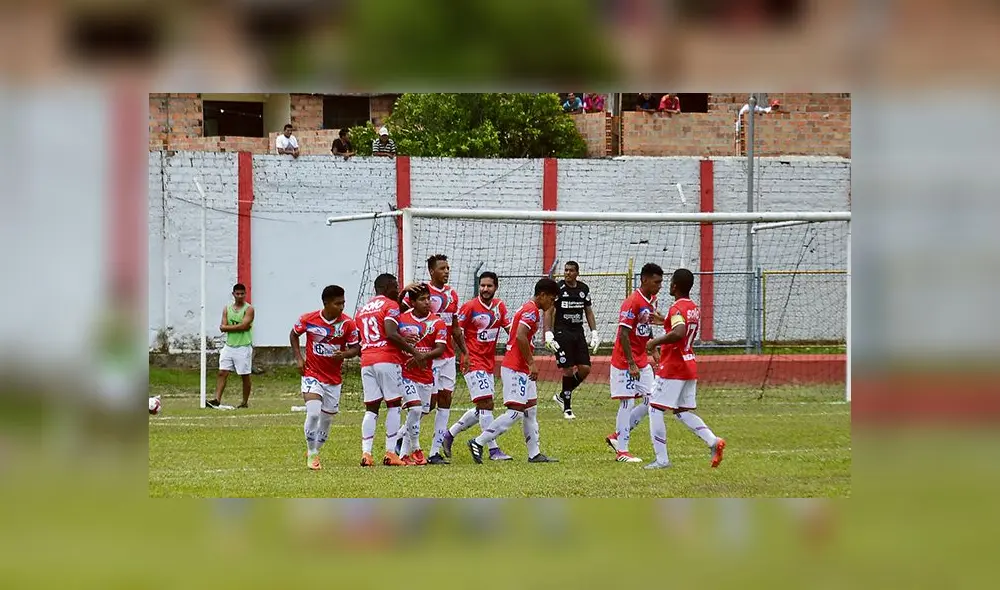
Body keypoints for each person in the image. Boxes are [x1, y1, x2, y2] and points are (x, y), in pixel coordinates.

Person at [468, 278, 561, 464]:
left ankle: (534, 454)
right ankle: (478, 442)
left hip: (521, 367)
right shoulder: (531, 311)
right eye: (551, 299)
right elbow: (520, 336)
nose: (552, 303)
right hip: (515, 367)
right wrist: (531, 363)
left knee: (530, 410)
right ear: (542, 295)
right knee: (516, 412)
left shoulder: (530, 308)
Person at [643, 269, 726, 469]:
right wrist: (664, 320)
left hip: (674, 366)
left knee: (654, 408)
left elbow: (679, 332)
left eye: (670, 282)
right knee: (681, 411)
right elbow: (682, 327)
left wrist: (654, 342)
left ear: (674, 286)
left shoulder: (677, 307)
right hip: (689, 364)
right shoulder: (693, 307)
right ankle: (713, 441)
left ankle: (662, 460)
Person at [396, 255, 468, 463]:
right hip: (427, 357)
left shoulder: (452, 294)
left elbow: (455, 327)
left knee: (445, 400)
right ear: (431, 271)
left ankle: (434, 451)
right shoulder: (421, 291)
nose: (446, 271)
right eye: (442, 268)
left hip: (447, 356)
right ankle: (401, 437)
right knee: (428, 405)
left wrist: (465, 351)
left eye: (448, 268)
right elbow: (400, 314)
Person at [439, 271, 513, 463]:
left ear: (496, 287)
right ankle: (493, 449)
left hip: (488, 363)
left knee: (483, 407)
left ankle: (449, 434)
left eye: (489, 286)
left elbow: (510, 330)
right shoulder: (470, 307)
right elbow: (457, 332)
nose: (485, 289)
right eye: (482, 285)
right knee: (486, 403)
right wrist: (462, 356)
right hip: (473, 361)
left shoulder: (499, 307)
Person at [355, 273, 426, 466]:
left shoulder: (362, 310)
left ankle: (366, 454)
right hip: (386, 359)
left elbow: (361, 338)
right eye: (395, 286)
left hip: (367, 360)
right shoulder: (390, 305)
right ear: (387, 288)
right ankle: (390, 452)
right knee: (394, 405)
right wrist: (415, 352)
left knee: (371, 408)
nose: (397, 290)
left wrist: (403, 293)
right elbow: (390, 333)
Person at [290, 285, 360, 470]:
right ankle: (312, 453)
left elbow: (356, 348)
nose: (341, 307)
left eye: (343, 303)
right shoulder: (308, 319)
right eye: (337, 303)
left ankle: (315, 449)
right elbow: (294, 334)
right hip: (312, 374)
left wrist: (344, 354)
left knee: (326, 421)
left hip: (333, 380)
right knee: (313, 413)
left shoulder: (348, 324)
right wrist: (299, 358)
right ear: (326, 303)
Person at [605, 263, 664, 463]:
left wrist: (653, 349)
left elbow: (647, 325)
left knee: (652, 399)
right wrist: (630, 362)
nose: (659, 286)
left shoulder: (652, 300)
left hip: (641, 359)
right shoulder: (632, 302)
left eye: (661, 282)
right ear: (644, 280)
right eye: (656, 282)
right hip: (624, 361)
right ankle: (622, 451)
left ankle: (617, 436)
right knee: (627, 402)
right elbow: (623, 333)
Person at [395, 283, 449, 466]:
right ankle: (417, 449)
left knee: (419, 414)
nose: (427, 302)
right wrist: (403, 291)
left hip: (426, 375)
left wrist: (420, 357)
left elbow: (440, 349)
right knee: (415, 409)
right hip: (405, 373)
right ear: (412, 302)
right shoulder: (402, 319)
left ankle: (404, 454)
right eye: (422, 299)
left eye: (428, 298)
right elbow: (391, 333)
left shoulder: (437, 322)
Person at [544, 261, 599, 419]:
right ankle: (567, 408)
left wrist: (594, 332)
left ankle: (562, 395)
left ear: (577, 273)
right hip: (562, 332)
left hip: (578, 332)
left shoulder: (583, 289)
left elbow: (588, 311)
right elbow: (549, 311)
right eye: (566, 270)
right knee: (567, 369)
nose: (567, 273)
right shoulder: (558, 288)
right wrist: (548, 333)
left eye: (571, 270)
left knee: (585, 368)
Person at [207, 283, 255, 409]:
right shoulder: (227, 309)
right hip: (229, 346)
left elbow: (244, 325)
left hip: (243, 346)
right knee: (222, 372)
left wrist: (229, 327)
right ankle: (217, 399)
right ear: (233, 294)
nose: (239, 296)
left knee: (244, 375)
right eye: (237, 294)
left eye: (242, 294)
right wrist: (237, 327)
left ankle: (244, 402)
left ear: (245, 294)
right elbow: (223, 327)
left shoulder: (249, 309)